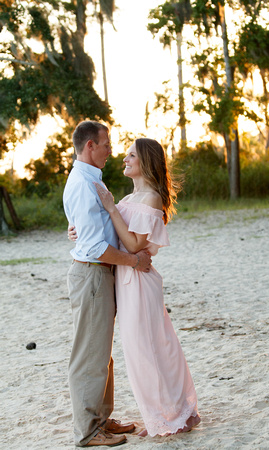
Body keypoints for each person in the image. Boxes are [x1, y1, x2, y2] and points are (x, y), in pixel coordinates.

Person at [69, 137, 200, 437]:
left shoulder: (151, 198)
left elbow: (133, 244)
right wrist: (77, 230)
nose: (124, 160)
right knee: (140, 349)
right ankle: (163, 414)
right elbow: (109, 235)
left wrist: (111, 207)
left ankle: (166, 417)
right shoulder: (128, 200)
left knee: (149, 347)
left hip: (139, 281)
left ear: (146, 162)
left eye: (130, 156)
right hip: (126, 278)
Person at [63, 121, 152, 447]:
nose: (110, 151)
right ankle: (88, 431)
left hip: (98, 275)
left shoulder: (89, 180)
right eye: (105, 144)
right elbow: (94, 247)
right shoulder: (84, 184)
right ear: (89, 146)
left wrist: (75, 232)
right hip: (92, 274)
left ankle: (101, 418)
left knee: (101, 354)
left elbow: (84, 230)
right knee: (89, 355)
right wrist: (134, 261)